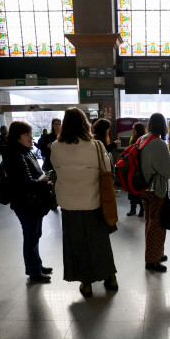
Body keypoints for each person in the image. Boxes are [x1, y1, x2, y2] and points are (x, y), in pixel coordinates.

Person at [52, 108, 118, 297]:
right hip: (94, 202)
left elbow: (56, 169)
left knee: (76, 244)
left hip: (68, 204)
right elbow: (107, 169)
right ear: (85, 124)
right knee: (100, 242)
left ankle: (86, 283)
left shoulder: (56, 147)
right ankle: (110, 277)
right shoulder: (96, 146)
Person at [3, 121, 53, 284]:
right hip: (25, 202)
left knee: (35, 234)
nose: (31, 138)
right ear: (17, 138)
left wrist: (42, 179)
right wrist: (45, 182)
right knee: (31, 235)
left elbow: (34, 174)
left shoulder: (26, 151)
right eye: (27, 135)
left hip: (32, 201)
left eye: (31, 134)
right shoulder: (15, 154)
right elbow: (26, 182)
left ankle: (36, 265)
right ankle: (34, 271)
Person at [139, 113, 170, 272]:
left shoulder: (143, 139)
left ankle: (157, 253)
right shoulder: (159, 143)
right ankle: (152, 261)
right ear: (163, 125)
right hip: (157, 190)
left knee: (150, 222)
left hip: (144, 188)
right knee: (157, 225)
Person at [126, 122, 146, 217]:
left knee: (140, 189)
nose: (132, 131)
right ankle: (132, 209)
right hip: (132, 167)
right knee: (132, 188)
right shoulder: (132, 139)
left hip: (140, 168)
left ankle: (142, 209)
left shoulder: (143, 140)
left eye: (134, 129)